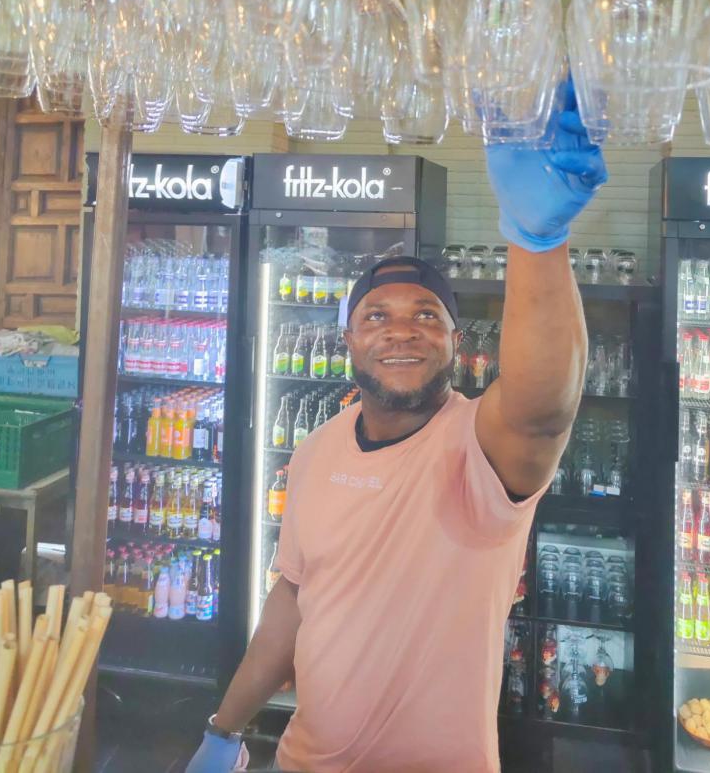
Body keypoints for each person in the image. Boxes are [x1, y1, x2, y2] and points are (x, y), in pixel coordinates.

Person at [187, 78, 606, 773]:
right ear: (348, 340)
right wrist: (225, 727)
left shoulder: (481, 448)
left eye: (426, 314)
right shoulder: (317, 450)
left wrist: (538, 239)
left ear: (454, 340)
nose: (401, 331)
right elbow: (292, 599)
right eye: (377, 316)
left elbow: (542, 405)